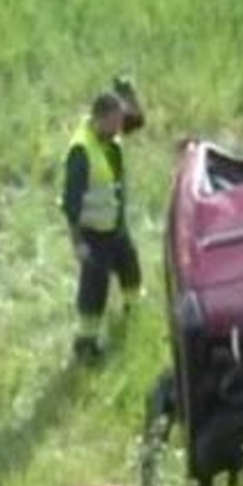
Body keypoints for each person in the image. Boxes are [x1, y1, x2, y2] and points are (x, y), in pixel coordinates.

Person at [60, 77, 146, 362]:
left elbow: (136, 122)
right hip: (93, 233)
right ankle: (86, 343)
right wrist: (78, 243)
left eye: (120, 121)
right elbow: (71, 204)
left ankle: (135, 310)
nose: (120, 129)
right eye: (115, 122)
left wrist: (130, 95)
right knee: (94, 289)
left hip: (115, 226)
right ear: (101, 119)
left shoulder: (108, 132)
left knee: (130, 268)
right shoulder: (81, 153)